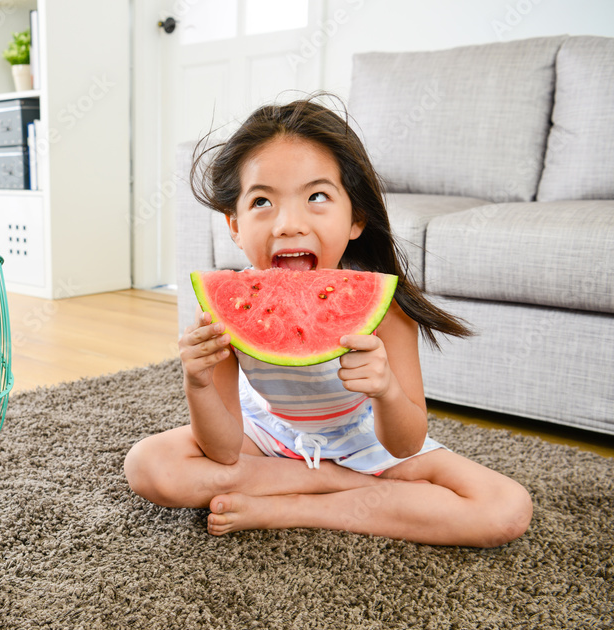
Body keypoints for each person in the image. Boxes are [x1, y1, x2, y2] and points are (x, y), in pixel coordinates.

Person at [123, 99, 532, 547]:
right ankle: (354, 493)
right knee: (148, 465)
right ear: (234, 225)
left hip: (366, 445)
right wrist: (197, 384)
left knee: (505, 509)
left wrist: (386, 390)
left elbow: (406, 444)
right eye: (262, 201)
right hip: (269, 439)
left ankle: (297, 505)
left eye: (317, 196)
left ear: (356, 217)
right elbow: (223, 450)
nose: (289, 224)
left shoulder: (386, 311)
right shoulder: (230, 312)